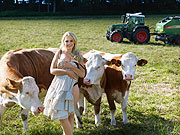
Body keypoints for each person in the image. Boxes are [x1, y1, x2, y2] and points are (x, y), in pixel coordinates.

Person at [43, 32, 85, 135]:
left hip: (73, 87)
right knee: (62, 116)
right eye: (67, 41)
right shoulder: (59, 53)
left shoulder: (78, 55)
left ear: (74, 42)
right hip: (59, 87)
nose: (69, 43)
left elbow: (82, 74)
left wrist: (71, 67)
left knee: (70, 114)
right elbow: (52, 70)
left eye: (71, 41)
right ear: (63, 41)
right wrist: (66, 71)